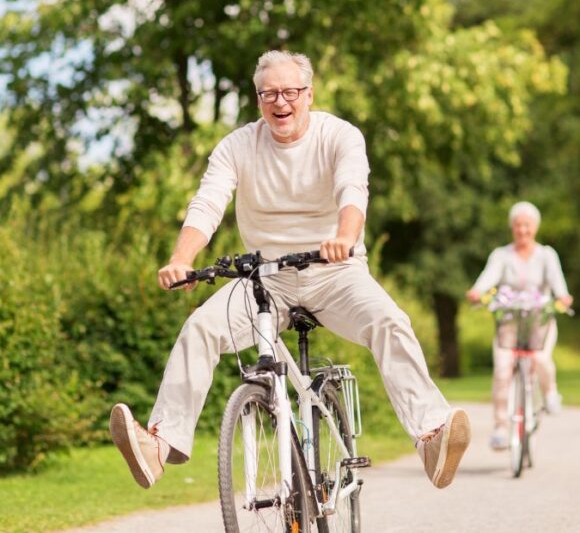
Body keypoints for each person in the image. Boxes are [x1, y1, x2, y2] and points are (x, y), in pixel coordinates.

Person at [109, 50, 471, 490]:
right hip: (265, 278)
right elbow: (207, 204)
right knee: (200, 328)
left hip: (335, 272)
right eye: (269, 94)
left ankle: (431, 436)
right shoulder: (237, 145)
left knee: (390, 321)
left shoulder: (339, 135)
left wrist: (344, 236)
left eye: (290, 92)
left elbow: (353, 190)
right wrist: (181, 259)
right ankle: (158, 446)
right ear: (258, 99)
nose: (280, 102)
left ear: (309, 94)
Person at [466, 201, 573, 450]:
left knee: (540, 358)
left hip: (539, 321)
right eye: (517, 225)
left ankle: (549, 393)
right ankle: (501, 428)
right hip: (510, 322)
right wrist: (477, 291)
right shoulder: (501, 255)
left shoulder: (547, 255)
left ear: (535, 227)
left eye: (527, 225)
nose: (522, 230)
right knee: (502, 369)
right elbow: (488, 277)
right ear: (512, 228)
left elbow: (558, 284)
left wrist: (563, 297)